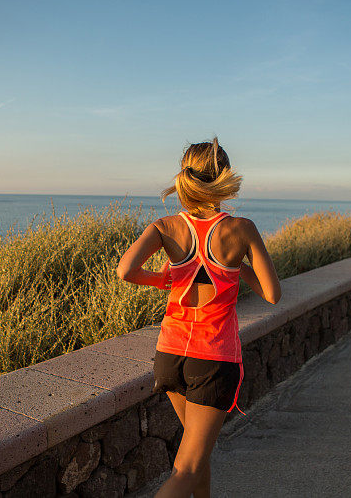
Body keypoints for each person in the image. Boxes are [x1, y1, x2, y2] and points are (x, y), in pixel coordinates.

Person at [116, 137, 281, 498]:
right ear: (223, 176)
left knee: (197, 456)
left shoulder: (165, 226)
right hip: (213, 359)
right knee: (186, 467)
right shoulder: (242, 228)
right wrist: (236, 266)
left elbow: (126, 270)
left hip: (170, 355)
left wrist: (161, 278)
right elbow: (272, 294)